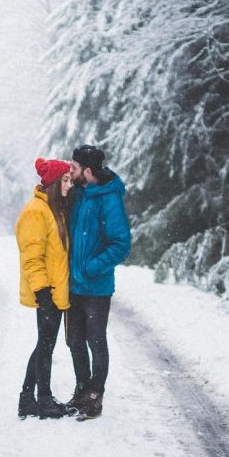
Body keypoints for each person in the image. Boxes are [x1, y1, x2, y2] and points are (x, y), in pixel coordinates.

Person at [66, 144, 131, 419]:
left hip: (96, 287)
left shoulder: (109, 199)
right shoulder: (78, 194)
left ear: (88, 171)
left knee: (95, 341)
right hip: (73, 286)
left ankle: (95, 396)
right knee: (73, 341)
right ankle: (81, 389)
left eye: (74, 167)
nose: (70, 170)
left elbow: (121, 244)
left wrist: (92, 267)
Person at [15, 157, 74, 419]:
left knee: (45, 344)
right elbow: (32, 257)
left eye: (71, 179)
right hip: (46, 292)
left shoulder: (52, 209)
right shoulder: (35, 212)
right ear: (52, 182)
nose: (70, 184)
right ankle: (43, 399)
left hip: (54, 291)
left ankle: (29, 399)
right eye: (65, 180)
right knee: (45, 345)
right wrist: (42, 292)